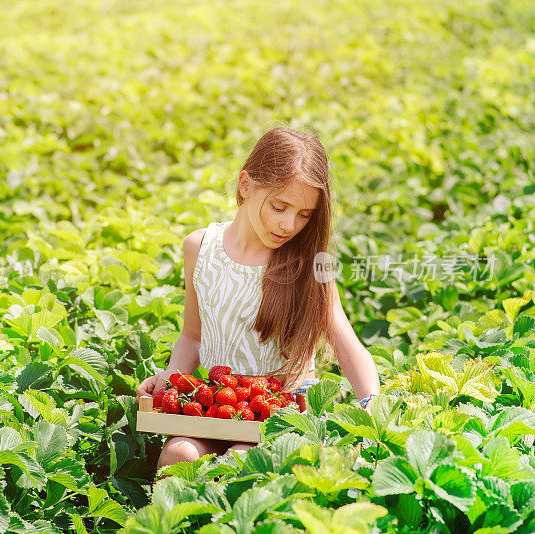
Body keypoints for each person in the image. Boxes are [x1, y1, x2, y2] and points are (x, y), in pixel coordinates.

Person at [135, 125, 381, 471]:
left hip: (282, 410)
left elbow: (343, 338)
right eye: (279, 207)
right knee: (179, 457)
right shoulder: (200, 248)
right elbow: (193, 335)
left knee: (241, 462)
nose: (289, 225)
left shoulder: (311, 262)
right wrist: (171, 378)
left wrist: (370, 401)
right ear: (245, 184)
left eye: (304, 215)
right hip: (221, 403)